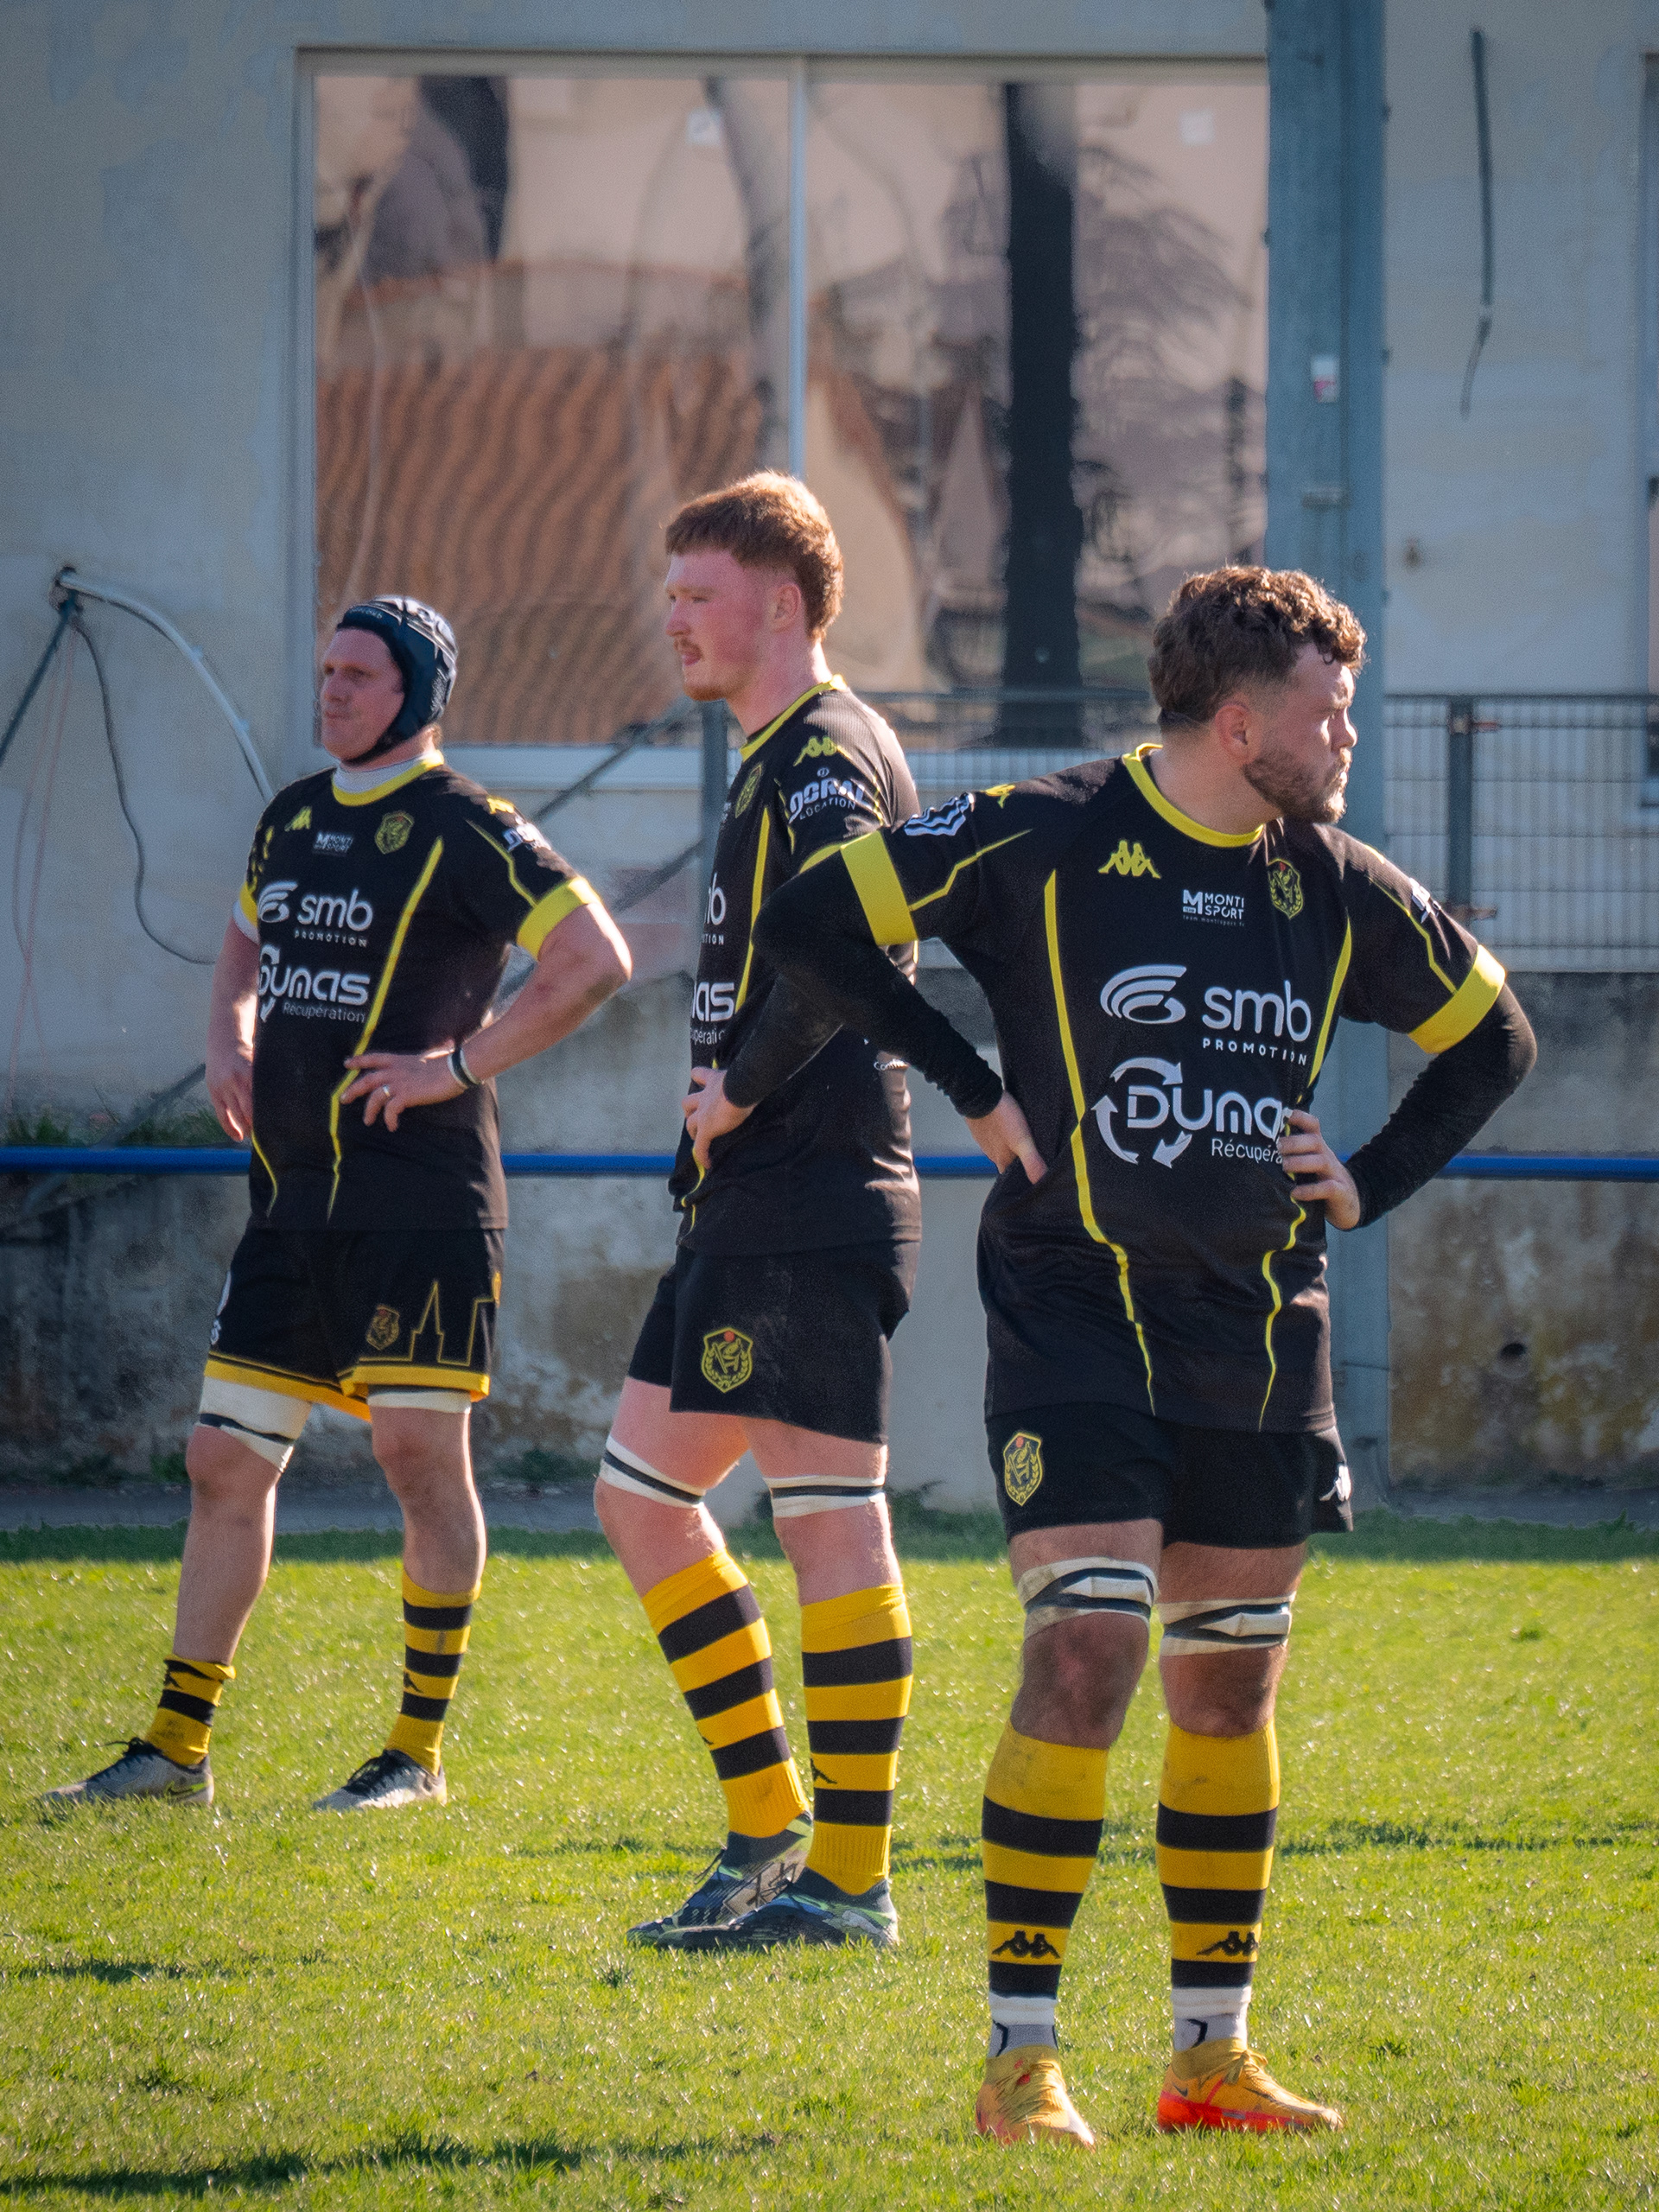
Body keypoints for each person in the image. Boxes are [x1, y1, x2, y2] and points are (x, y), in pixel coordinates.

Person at [695, 566, 1535, 2133]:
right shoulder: (1044, 831)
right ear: (1241, 722)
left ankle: (1210, 2058)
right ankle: (1021, 2060)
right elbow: (812, 923)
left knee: (1230, 1687)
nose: (1348, 736)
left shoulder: (1335, 883)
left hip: (1261, 1332)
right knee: (1088, 1646)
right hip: (1072, 1310)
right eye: (1330, 710)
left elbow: (1495, 1036)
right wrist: (970, 1083)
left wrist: (1368, 1181)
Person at [45, 595, 631, 1813]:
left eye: (360, 674)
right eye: (327, 671)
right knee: (221, 1458)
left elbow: (595, 960)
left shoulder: (467, 826)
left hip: (422, 1206)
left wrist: (457, 1065)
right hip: (291, 1205)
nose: (333, 690)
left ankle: (415, 1754)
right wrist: (227, 1037)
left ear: (418, 693)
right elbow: (242, 942)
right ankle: (175, 1751)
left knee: (415, 1455)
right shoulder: (295, 817)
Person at [594, 473, 923, 1954]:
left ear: (780, 606)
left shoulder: (825, 756)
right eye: (669, 595)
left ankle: (847, 1885)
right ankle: (773, 1833)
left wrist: (735, 1086)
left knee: (830, 1524)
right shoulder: (775, 755)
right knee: (640, 1495)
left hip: (809, 1190)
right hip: (757, 1199)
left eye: (698, 596)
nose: (673, 620)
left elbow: (854, 945)